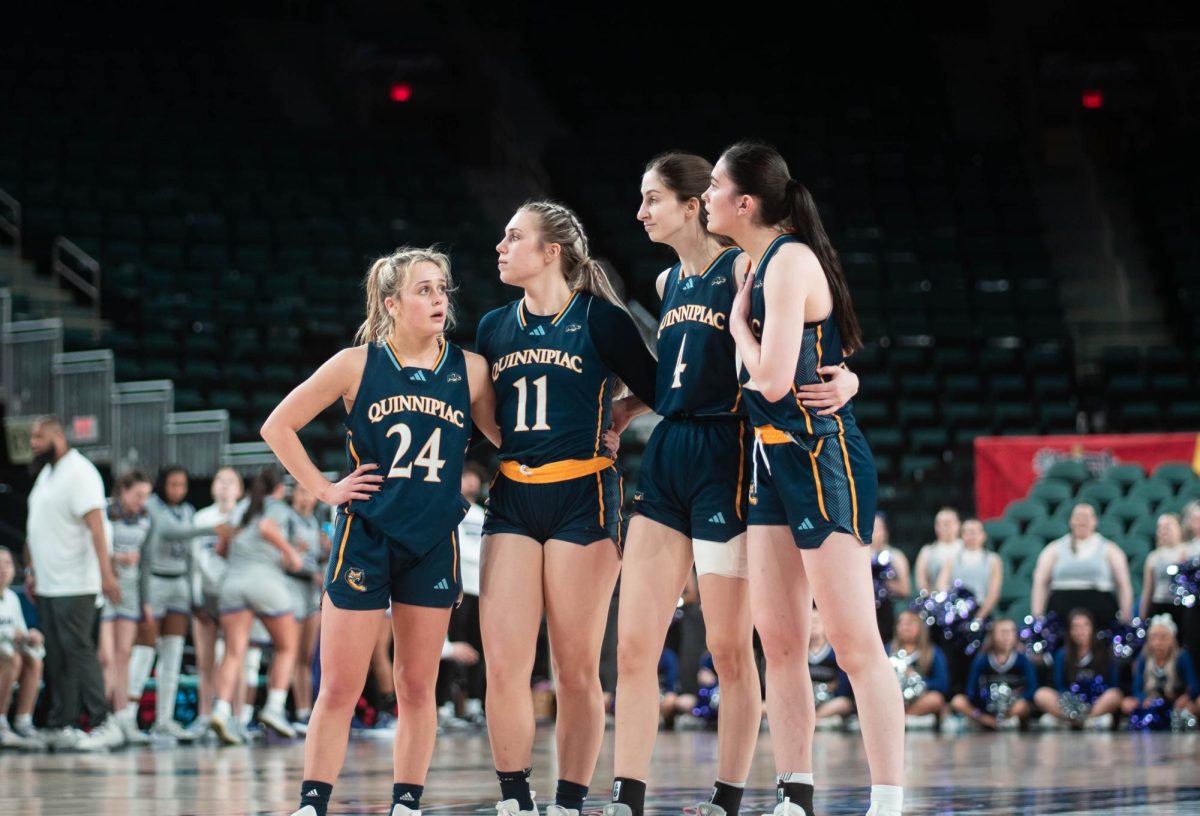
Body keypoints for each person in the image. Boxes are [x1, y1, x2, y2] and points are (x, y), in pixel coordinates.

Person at [605, 152, 860, 816]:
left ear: (693, 206)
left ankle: (727, 797)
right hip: (668, 453)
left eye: (652, 198)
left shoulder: (747, 267)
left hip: (731, 454)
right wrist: (633, 406)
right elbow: (680, 370)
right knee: (633, 644)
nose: (640, 212)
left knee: (727, 646)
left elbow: (813, 340)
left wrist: (850, 380)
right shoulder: (665, 284)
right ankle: (625, 797)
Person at [261, 246, 500, 816]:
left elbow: (505, 440)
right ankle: (313, 804)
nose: (439, 299)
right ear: (392, 304)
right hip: (365, 534)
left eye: (443, 289)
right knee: (339, 688)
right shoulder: (355, 364)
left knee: (417, 687)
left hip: (432, 541)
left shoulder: (469, 369)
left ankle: (407, 805)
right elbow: (278, 425)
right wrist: (324, 489)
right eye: (424, 290)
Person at [709, 141, 902, 816]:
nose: (705, 197)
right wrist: (846, 374)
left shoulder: (788, 260)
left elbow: (769, 377)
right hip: (770, 457)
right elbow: (829, 352)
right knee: (782, 642)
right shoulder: (754, 261)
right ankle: (795, 794)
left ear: (746, 202)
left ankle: (888, 799)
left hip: (821, 455)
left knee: (855, 645)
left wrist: (738, 328)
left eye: (713, 187)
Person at [476, 200, 658, 816]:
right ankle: (514, 797)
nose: (501, 246)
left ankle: (570, 800)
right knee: (504, 663)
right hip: (512, 496)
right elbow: (486, 419)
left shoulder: (602, 321)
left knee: (574, 665)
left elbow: (660, 387)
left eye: (514, 236)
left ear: (551, 251)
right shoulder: (492, 326)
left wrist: (624, 412)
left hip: (583, 495)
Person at [24, 415, 123, 751]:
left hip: (77, 582)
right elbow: (38, 528)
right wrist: (32, 571)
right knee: (58, 657)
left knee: (79, 652)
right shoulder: (47, 475)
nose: (33, 443)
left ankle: (103, 722)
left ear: (58, 435)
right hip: (50, 583)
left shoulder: (79, 472)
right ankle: (61, 723)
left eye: (39, 436)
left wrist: (106, 574)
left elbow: (97, 526)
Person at [131, 466, 225, 741]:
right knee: (145, 653)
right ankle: (128, 718)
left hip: (179, 584)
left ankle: (165, 719)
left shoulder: (187, 511)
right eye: (172, 484)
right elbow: (170, 533)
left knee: (172, 656)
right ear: (162, 485)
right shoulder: (152, 506)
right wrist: (212, 528)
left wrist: (193, 596)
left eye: (182, 485)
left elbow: (189, 554)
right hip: (155, 581)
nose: (178, 490)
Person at [209, 467, 302, 744]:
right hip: (265, 582)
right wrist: (291, 553)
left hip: (232, 582)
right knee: (287, 646)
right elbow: (266, 528)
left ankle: (221, 710)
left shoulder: (241, 508)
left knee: (233, 652)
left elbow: (220, 548)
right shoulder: (277, 508)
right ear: (281, 489)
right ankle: (274, 707)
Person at [187, 466, 245, 739]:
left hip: (234, 597)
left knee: (236, 658)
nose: (224, 486)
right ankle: (204, 716)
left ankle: (238, 717)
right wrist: (197, 599)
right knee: (205, 660)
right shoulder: (201, 519)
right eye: (219, 480)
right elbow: (195, 564)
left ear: (239, 489)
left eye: (230, 481)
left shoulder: (244, 518)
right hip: (206, 597)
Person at [97, 470, 153, 745]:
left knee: (123, 656)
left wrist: (145, 601)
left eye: (146, 496)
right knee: (105, 657)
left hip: (130, 591)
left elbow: (146, 562)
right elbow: (92, 547)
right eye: (138, 495)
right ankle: (102, 718)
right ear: (123, 490)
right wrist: (116, 558)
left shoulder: (144, 517)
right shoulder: (105, 512)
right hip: (106, 588)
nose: (142, 501)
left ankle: (123, 718)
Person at [1030, 502, 1134, 625]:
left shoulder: (1110, 550)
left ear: (1095, 521)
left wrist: (1126, 618)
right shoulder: (1053, 549)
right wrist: (1037, 617)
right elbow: (1040, 582)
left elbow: (1123, 585)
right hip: (1061, 611)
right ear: (1071, 521)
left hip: (1099, 611)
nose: (1082, 521)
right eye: (1078, 517)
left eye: (1086, 517)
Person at [444, 461, 488, 726]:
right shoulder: (450, 507)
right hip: (456, 582)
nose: (470, 482)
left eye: (474, 477)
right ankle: (445, 707)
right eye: (465, 476)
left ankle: (474, 704)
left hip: (479, 586)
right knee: (451, 647)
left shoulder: (483, 513)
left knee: (478, 647)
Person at [1033, 609, 1122, 730]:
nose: (1080, 631)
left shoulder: (1105, 652)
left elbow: (1113, 684)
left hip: (1096, 703)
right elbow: (1059, 686)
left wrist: (1092, 699)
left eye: (1085, 625)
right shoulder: (1062, 655)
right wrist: (1072, 702)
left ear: (1092, 628)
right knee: (1041, 694)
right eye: (1076, 627)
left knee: (1115, 695)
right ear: (1070, 631)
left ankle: (1084, 720)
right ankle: (1074, 720)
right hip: (1069, 703)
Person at [288, 481, 330, 731]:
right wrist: (310, 570)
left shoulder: (314, 523)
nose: (307, 497)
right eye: (302, 491)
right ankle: (292, 709)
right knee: (291, 655)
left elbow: (314, 558)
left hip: (310, 594)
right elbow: (284, 559)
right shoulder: (288, 519)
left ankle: (305, 712)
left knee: (306, 655)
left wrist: (325, 552)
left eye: (309, 492)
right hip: (291, 590)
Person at [950, 619, 1037, 730]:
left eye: (1011, 632)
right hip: (985, 709)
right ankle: (988, 721)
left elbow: (1032, 688)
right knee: (958, 701)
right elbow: (970, 690)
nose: (1007, 636)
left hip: (1011, 707)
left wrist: (1017, 699)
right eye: (1003, 632)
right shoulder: (982, 660)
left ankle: (1008, 719)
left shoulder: (1023, 659)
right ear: (992, 635)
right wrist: (980, 708)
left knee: (1022, 706)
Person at [0, 545, 46, 749]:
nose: (2, 569)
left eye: (7, 563)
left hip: (9, 652)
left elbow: (20, 632)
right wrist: (11, 635)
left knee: (34, 658)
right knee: (12, 658)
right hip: (6, 656)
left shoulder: (11, 598)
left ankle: (23, 720)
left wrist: (31, 636)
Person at [1121, 614, 1200, 721]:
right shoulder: (1144, 657)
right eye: (1154, 638)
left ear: (1172, 639)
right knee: (1126, 703)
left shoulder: (1182, 656)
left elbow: (1194, 685)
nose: (1158, 643)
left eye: (1163, 638)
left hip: (1175, 703)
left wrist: (1186, 697)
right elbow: (1136, 688)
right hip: (1151, 702)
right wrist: (1144, 699)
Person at [886, 610, 949, 729]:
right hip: (893, 698)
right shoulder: (888, 649)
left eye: (910, 623)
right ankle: (909, 720)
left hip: (919, 699)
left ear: (920, 628)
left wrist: (916, 680)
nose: (905, 627)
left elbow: (942, 684)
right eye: (901, 623)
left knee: (936, 699)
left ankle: (903, 718)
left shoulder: (932, 652)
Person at [936, 519, 1001, 619]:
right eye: (968, 532)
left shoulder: (993, 560)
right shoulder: (951, 559)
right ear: (962, 535)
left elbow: (993, 593)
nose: (972, 536)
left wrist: (979, 617)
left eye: (975, 532)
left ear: (983, 535)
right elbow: (941, 585)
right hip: (956, 611)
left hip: (982, 610)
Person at [1140, 513, 1190, 632]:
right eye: (1160, 527)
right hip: (1159, 605)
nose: (1163, 531)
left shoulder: (1189, 551)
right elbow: (1148, 590)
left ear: (1180, 528)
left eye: (1168, 526)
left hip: (1182, 607)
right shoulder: (1153, 557)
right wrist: (1142, 618)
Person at [870, 514, 910, 643]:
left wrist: (881, 580)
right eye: (870, 527)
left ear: (885, 531)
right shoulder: (857, 555)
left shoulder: (895, 555)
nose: (874, 532)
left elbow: (905, 590)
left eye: (877, 527)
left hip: (887, 612)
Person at [913, 508, 962, 594]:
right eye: (938, 524)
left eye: (947, 523)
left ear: (958, 525)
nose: (942, 527)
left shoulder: (966, 548)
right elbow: (921, 582)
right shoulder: (927, 551)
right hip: (936, 598)